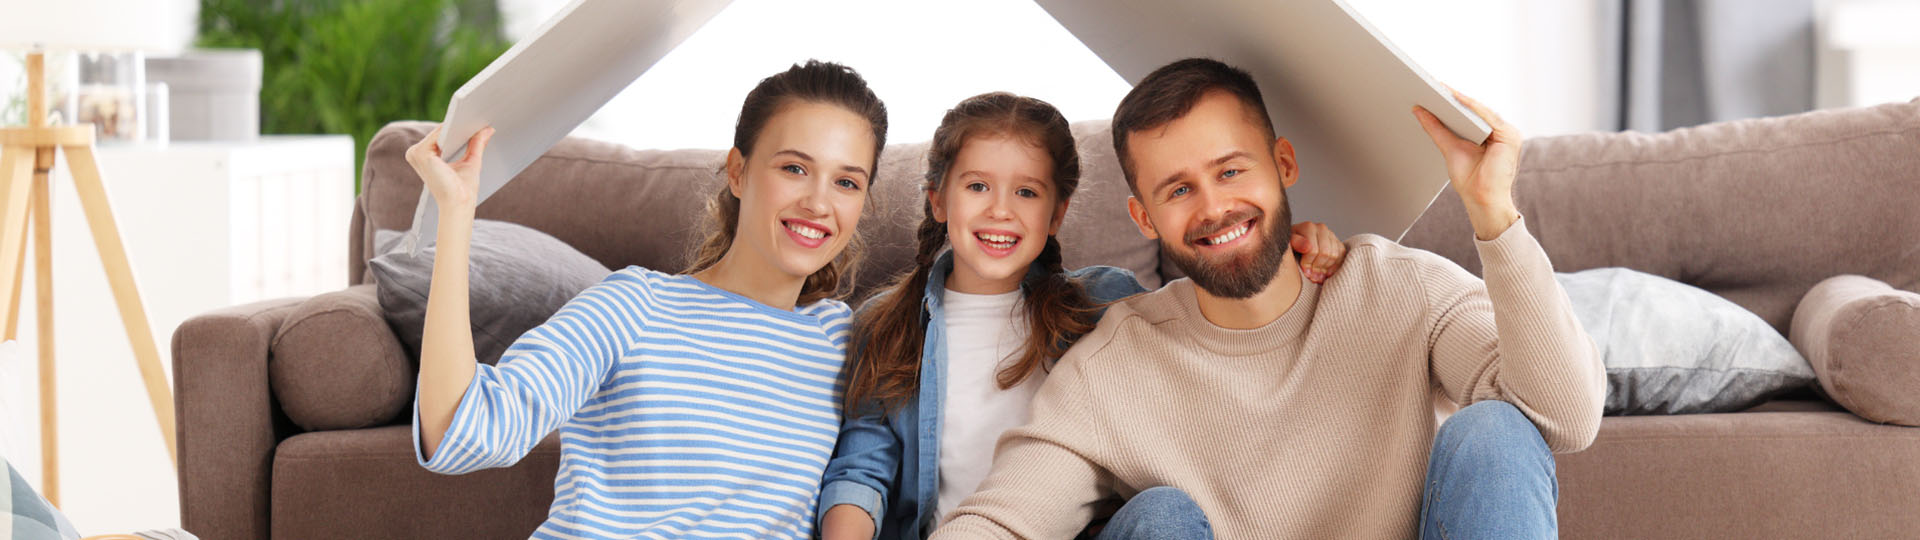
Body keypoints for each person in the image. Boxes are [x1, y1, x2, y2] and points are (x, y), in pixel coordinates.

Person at [932, 58, 1604, 540]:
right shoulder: (1114, 363)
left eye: (1230, 171)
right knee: (1158, 519)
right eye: (1178, 189)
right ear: (1144, 218)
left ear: (1283, 165)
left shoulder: (1402, 289)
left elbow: (1564, 418)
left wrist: (1493, 213)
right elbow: (1007, 519)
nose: (1214, 207)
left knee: (1496, 427)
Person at [817, 92, 1348, 540]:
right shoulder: (883, 323)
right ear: (938, 200)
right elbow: (861, 470)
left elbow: (1216, 309)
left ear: (1057, 214)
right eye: (977, 186)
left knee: (1165, 511)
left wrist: (1284, 252)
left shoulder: (1100, 303)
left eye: (1027, 192)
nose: (1001, 210)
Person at [406, 60, 887, 539]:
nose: (819, 203)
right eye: (795, 168)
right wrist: (457, 212)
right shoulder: (637, 305)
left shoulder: (845, 340)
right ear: (738, 173)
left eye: (846, 182)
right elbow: (461, 433)